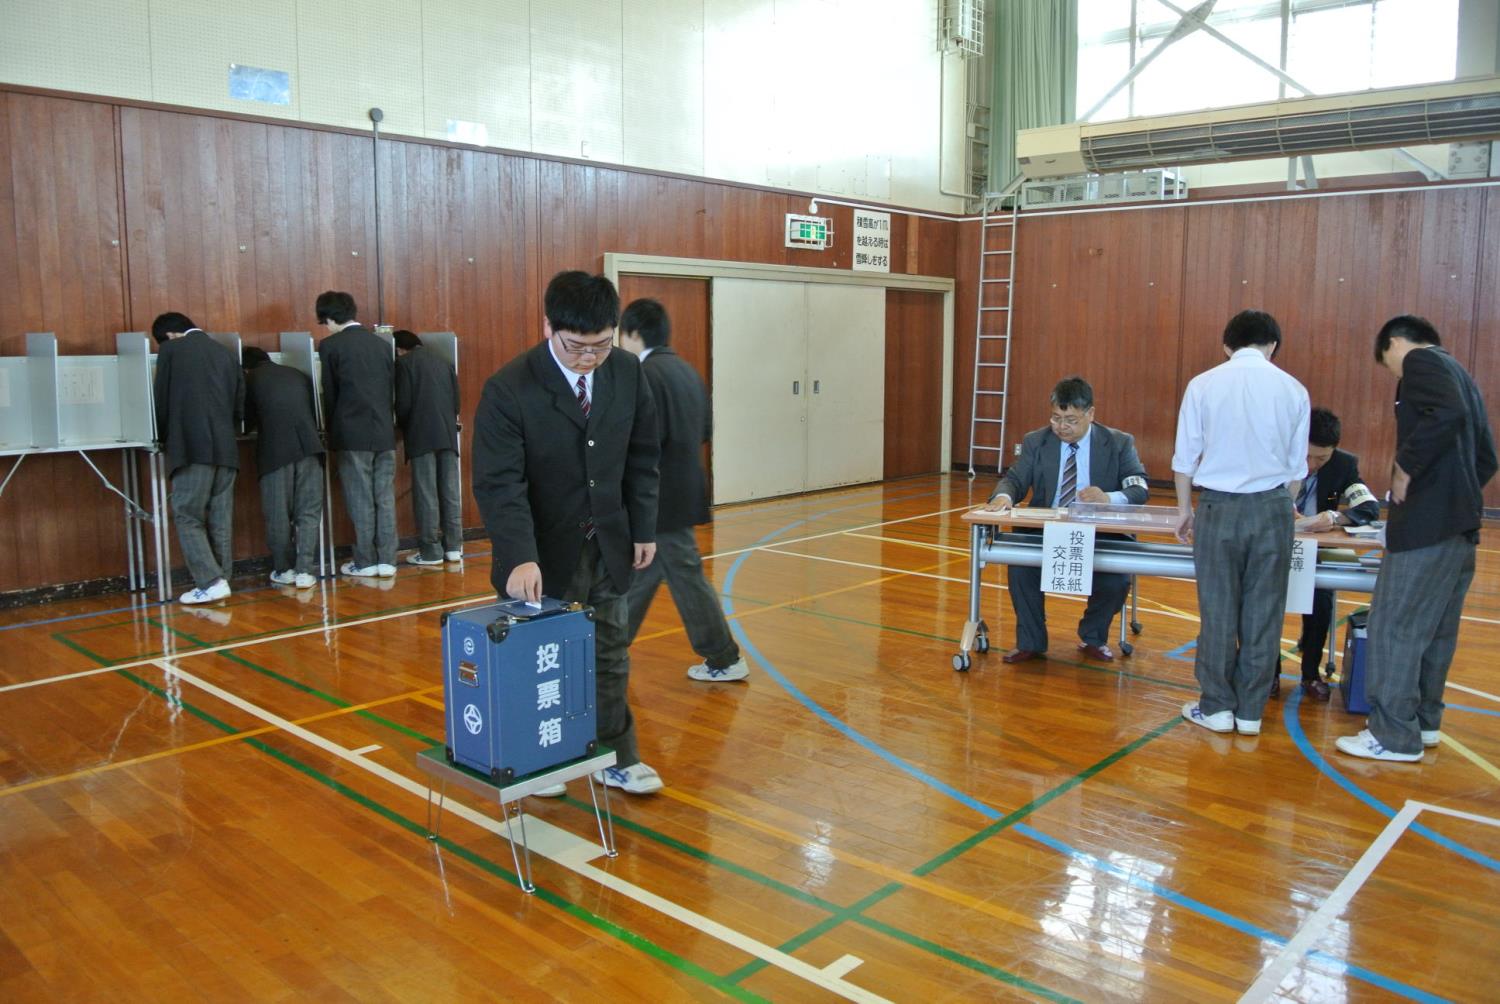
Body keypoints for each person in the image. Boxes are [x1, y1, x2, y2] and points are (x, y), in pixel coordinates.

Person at [472, 271, 663, 794]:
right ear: (548, 326)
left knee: (609, 651)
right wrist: (518, 557)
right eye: (576, 347)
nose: (589, 359)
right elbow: (498, 483)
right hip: (541, 552)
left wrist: (643, 527)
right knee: (542, 662)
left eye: (601, 346)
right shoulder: (510, 387)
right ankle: (543, 760)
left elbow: (644, 455)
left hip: (610, 541)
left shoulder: (626, 372)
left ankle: (616, 755)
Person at [1336, 316, 1496, 762]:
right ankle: (1424, 723)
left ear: (1393, 343)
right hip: (1458, 528)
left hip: (1424, 530)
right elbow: (1487, 456)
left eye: (1389, 365)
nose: (1394, 374)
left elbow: (1447, 414)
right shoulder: (1461, 374)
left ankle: (1392, 735)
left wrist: (1408, 467)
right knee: (1435, 633)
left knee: (1395, 628)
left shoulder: (1421, 362)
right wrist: (1454, 495)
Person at [1173, 310, 1309, 738]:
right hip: (1272, 508)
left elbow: (1184, 460)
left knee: (1218, 613)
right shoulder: (1294, 390)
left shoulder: (1203, 384)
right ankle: (1250, 712)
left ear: (1227, 346)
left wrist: (1184, 511)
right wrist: (1275, 508)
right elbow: (1296, 472)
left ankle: (1216, 708)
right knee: (1263, 614)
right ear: (1271, 345)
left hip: (1218, 507)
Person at [618, 298, 748, 682]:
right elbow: (706, 431)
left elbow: (641, 443)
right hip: (682, 489)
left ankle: (724, 657)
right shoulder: (687, 372)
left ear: (634, 334)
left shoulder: (644, 376)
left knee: (684, 575)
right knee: (642, 574)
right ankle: (605, 651)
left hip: (660, 498)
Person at [981, 376, 1149, 664]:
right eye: (1056, 418)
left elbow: (1140, 488)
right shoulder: (1037, 441)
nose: (1061, 427)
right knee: (1021, 570)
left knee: (1116, 580)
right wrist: (1003, 499)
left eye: (1071, 419)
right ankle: (1031, 642)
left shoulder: (1119, 443)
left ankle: (1092, 637)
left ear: (1091, 414)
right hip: (1046, 529)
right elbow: (1015, 479)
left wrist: (1109, 498)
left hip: (1101, 531)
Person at [1285, 407, 1380, 701]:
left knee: (1321, 601)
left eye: (1321, 458)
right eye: (1308, 456)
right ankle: (1268, 675)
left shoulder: (1343, 466)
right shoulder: (1278, 456)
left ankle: (1310, 674)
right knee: (1267, 604)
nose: (1312, 464)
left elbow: (1368, 507)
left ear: (1334, 452)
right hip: (1276, 542)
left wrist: (1334, 518)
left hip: (1320, 547)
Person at [151, 312, 244, 605]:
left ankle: (210, 581)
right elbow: (239, 400)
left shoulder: (171, 351)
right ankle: (222, 577)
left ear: (169, 336)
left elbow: (161, 400)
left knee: (187, 514)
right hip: (227, 447)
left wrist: (165, 437)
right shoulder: (225, 351)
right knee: (220, 516)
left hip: (191, 446)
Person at [316, 291, 397, 578]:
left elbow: (329, 394)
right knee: (384, 496)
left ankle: (365, 561)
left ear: (329, 318)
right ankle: (387, 560)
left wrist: (329, 428)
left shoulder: (331, 346)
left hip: (352, 433)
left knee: (360, 497)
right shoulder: (381, 345)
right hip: (384, 432)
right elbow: (389, 390)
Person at [242, 346, 324, 590]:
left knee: (278, 513)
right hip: (310, 447)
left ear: (245, 367)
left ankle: (283, 569)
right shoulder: (297, 373)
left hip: (275, 452)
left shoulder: (251, 379)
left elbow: (246, 422)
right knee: (308, 512)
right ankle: (305, 572)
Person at [394, 330, 463, 566]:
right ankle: (454, 547)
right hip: (447, 433)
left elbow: (403, 403)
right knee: (450, 491)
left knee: (426, 493)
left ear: (399, 349)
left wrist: (401, 426)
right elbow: (456, 402)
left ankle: (431, 551)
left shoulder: (404, 363)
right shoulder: (444, 362)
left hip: (421, 434)